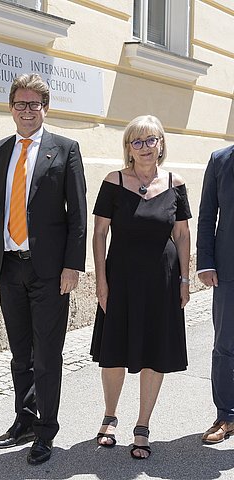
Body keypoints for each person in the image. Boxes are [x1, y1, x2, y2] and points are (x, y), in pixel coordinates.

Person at [0, 73, 87, 465]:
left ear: (45, 108)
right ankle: (23, 420)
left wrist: (73, 266)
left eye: (34, 105)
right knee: (19, 353)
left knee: (47, 356)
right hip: (9, 269)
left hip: (49, 271)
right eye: (21, 104)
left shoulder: (65, 149)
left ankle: (46, 430)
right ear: (11, 108)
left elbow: (77, 213)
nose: (27, 111)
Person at [91, 115, 191, 459]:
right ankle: (109, 415)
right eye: (138, 141)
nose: (146, 147)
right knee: (114, 350)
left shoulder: (176, 183)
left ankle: (142, 425)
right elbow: (100, 233)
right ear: (128, 148)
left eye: (152, 140)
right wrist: (101, 281)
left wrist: (184, 278)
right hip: (121, 279)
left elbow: (181, 233)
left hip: (162, 281)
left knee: (155, 352)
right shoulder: (114, 181)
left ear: (162, 143)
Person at [197, 145, 234, 444]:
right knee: (225, 346)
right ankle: (227, 415)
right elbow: (207, 215)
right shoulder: (220, 160)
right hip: (228, 268)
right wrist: (206, 262)